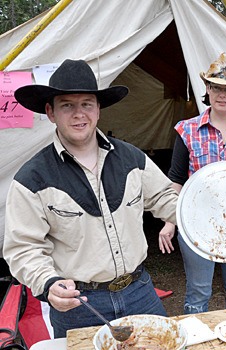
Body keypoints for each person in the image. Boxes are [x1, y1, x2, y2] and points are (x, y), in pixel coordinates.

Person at [2, 59, 178, 337]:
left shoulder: (132, 159)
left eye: (86, 103)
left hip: (140, 292)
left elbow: (167, 199)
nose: (78, 114)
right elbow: (23, 248)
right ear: (50, 112)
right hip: (79, 305)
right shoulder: (32, 179)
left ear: (98, 109)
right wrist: (48, 283)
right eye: (67, 105)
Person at [158, 53, 226, 314]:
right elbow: (177, 180)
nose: (222, 94)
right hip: (197, 223)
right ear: (207, 89)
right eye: (216, 87)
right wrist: (169, 222)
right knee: (198, 292)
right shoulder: (187, 130)